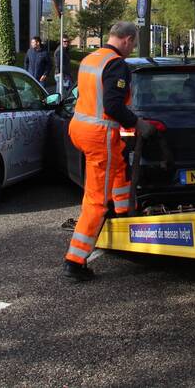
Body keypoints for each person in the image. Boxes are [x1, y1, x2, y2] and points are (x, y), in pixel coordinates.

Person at [62, 21, 156, 282]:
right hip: (99, 134)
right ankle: (75, 261)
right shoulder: (117, 65)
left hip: (80, 128)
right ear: (127, 39)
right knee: (96, 200)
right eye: (133, 44)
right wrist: (137, 123)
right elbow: (113, 105)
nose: (132, 48)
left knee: (118, 167)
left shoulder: (91, 59)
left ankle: (124, 213)